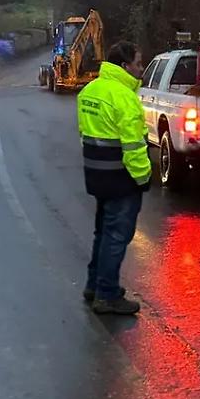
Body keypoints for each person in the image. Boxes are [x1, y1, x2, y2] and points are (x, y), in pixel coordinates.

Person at [77, 41, 151, 315]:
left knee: (102, 232)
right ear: (124, 66)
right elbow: (133, 147)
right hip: (121, 178)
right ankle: (106, 294)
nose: (141, 68)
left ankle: (94, 284)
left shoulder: (90, 90)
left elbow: (84, 132)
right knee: (117, 235)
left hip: (96, 174)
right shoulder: (123, 97)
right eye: (138, 63)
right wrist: (143, 178)